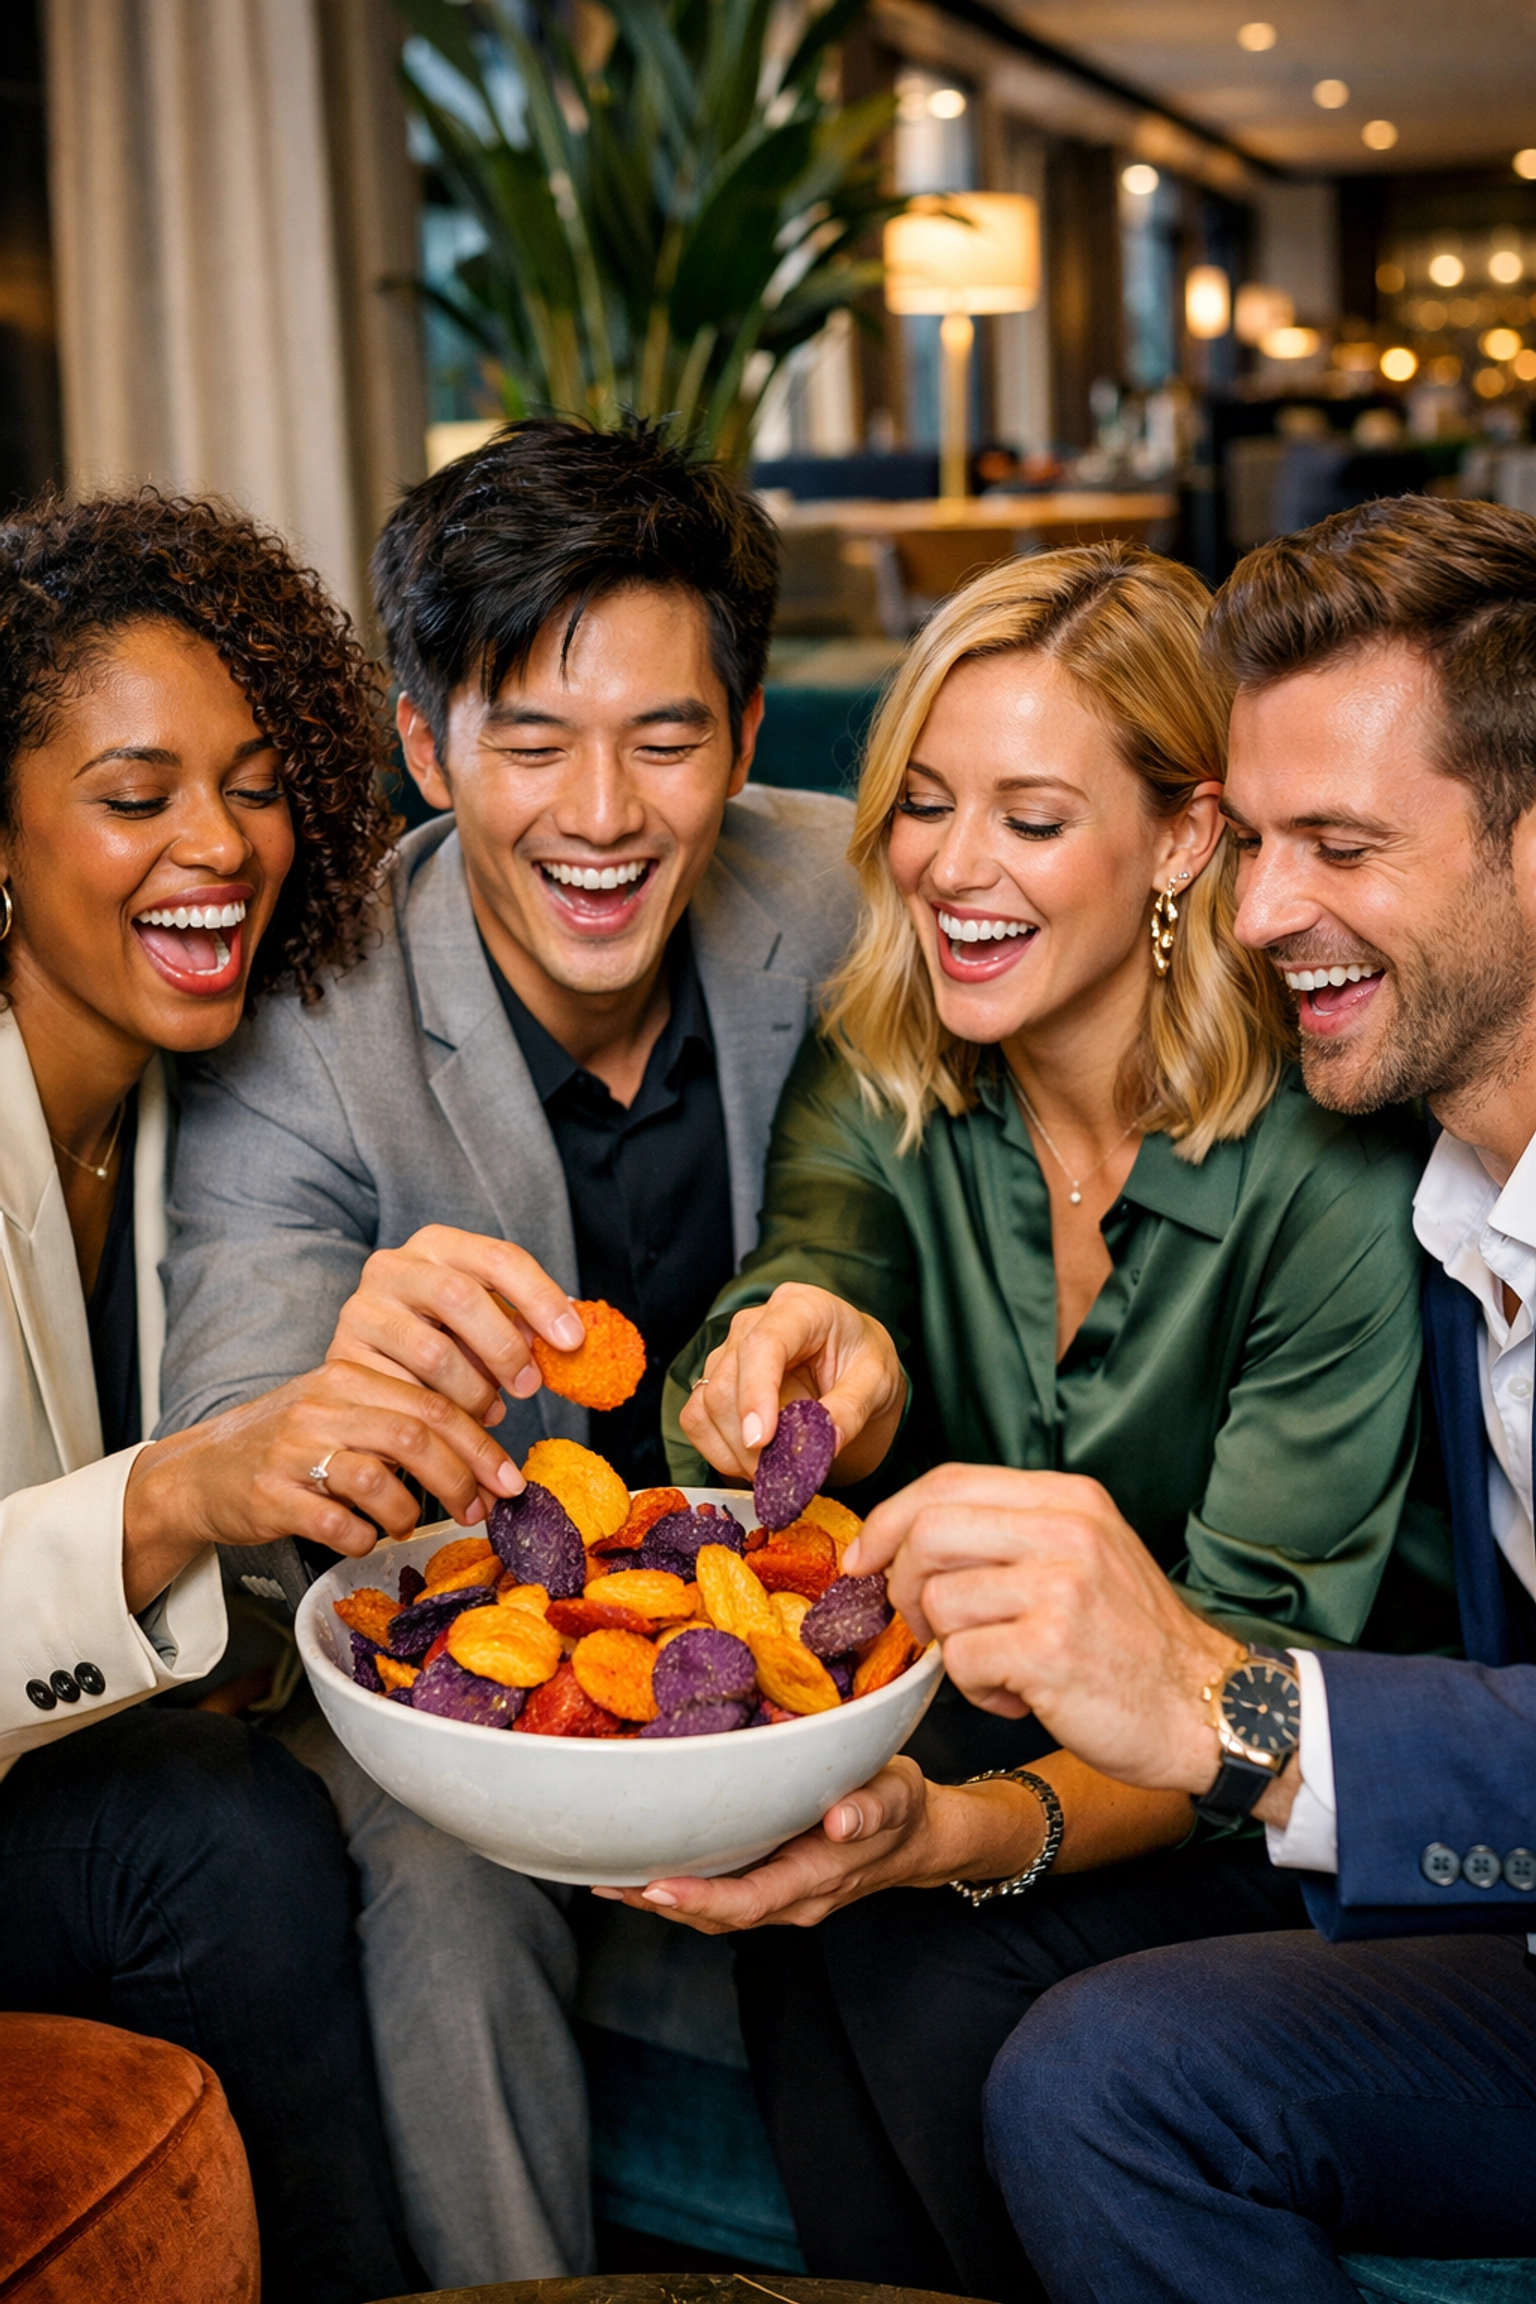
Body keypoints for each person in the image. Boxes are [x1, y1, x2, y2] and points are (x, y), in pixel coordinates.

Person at [640, 543, 1440, 2301]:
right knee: (814, 1910)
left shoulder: (1331, 1165)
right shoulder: (893, 1057)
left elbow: (1251, 1671)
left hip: (1301, 1789)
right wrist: (797, 1351)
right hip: (1015, 1722)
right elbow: (807, 1266)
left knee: (911, 1949)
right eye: (924, 804)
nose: (951, 868)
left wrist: (959, 1835)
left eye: (1030, 814)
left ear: (1182, 839)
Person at [157, 416, 857, 2286]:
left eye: (666, 738)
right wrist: (336, 1417)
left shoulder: (852, 903)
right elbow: (231, 1527)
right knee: (442, 1895)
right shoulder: (302, 1029)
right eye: (530, 741)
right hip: (476, 1704)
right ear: (420, 745)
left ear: (752, 732)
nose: (602, 815)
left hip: (815, 1637)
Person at [849, 496, 1536, 2301]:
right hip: (1486, 1917)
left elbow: (1274, 1640)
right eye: (1253, 840)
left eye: (1342, 845)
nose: (1261, 910)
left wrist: (1226, 1701)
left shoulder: (1344, 1174)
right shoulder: (1453, 1187)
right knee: (1084, 2064)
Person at [0, 487, 539, 2302]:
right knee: (213, 1837)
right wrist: (186, 1487)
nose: (217, 847)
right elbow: (171, 1513)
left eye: (253, 781)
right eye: (135, 797)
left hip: (89, 1757)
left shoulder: (191, 1091)